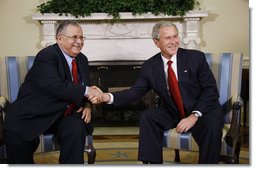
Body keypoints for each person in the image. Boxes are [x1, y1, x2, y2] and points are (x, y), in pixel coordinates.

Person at [89, 21, 223, 164]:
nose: (173, 42)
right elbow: (134, 92)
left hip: (203, 110)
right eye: (168, 38)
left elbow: (210, 91)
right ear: (156, 42)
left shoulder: (196, 58)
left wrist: (194, 116)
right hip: (174, 111)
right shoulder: (150, 66)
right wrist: (105, 96)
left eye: (175, 36)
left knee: (211, 125)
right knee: (148, 116)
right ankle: (152, 164)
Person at [4, 20, 100, 164]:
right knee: (16, 137)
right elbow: (56, 86)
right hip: (34, 112)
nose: (79, 41)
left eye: (81, 37)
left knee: (76, 127)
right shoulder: (47, 56)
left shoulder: (82, 59)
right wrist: (89, 91)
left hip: (63, 113)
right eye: (74, 37)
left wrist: (87, 104)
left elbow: (82, 85)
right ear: (59, 38)